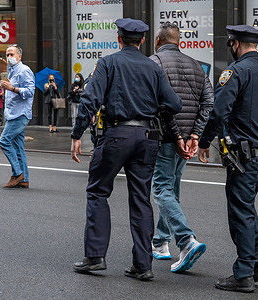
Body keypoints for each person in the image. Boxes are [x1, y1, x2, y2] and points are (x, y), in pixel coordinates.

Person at [70, 18, 182, 281]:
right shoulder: (153, 68)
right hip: (147, 137)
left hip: (117, 133)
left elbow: (90, 100)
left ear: (118, 39)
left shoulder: (108, 63)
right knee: (141, 199)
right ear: (142, 41)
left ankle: (95, 257)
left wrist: (77, 134)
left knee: (98, 191)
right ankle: (143, 265)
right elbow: (174, 104)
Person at [197, 25, 258, 293]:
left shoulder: (236, 72)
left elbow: (218, 112)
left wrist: (204, 142)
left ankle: (243, 274)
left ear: (235, 44)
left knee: (239, 211)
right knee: (245, 205)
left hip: (244, 157)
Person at [149, 22, 213, 272]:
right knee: (172, 188)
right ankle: (161, 242)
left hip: (166, 138)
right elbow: (208, 102)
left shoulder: (154, 63)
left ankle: (186, 241)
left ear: (157, 41)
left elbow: (160, 106)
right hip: (187, 141)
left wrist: (176, 136)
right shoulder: (197, 65)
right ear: (180, 42)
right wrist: (195, 134)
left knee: (161, 188)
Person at [0, 44, 35, 188]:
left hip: (19, 114)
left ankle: (18, 173)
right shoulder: (12, 70)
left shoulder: (25, 70)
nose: (9, 57)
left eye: (12, 54)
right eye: (7, 55)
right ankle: (24, 179)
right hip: (13, 113)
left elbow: (30, 91)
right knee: (19, 147)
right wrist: (6, 88)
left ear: (19, 56)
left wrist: (12, 88)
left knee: (4, 141)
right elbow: (15, 91)